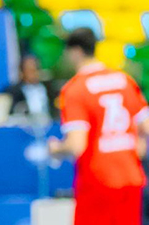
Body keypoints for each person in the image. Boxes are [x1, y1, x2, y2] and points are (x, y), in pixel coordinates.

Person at [48, 28, 149, 225]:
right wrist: (138, 146)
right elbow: (146, 127)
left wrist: (55, 149)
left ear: (75, 52)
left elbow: (76, 145)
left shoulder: (75, 89)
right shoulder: (124, 80)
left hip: (97, 181)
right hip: (130, 177)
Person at [6, 54, 53, 120]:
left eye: (36, 69)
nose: (34, 74)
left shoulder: (47, 89)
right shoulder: (13, 92)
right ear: (22, 73)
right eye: (30, 70)